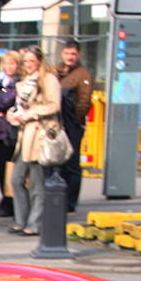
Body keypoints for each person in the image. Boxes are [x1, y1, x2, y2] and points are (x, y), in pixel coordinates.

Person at [6, 46, 62, 237]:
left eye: (31, 60)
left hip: (40, 136)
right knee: (16, 179)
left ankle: (34, 223)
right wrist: (13, 114)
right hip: (24, 137)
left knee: (37, 183)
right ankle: (21, 220)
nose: (28, 64)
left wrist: (30, 113)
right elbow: (20, 105)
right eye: (25, 61)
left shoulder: (48, 79)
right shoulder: (24, 82)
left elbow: (54, 105)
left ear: (39, 60)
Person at [54, 39, 93, 214]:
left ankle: (70, 201)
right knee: (57, 163)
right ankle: (58, 197)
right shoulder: (56, 71)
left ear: (79, 55)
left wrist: (75, 120)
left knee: (72, 164)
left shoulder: (82, 74)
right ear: (63, 53)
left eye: (73, 54)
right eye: (67, 53)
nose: (69, 57)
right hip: (56, 126)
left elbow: (84, 101)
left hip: (73, 126)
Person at [0, 51, 21, 218]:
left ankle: (10, 202)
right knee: (0, 168)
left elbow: (6, 102)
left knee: (9, 169)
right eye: (7, 63)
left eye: (13, 63)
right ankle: (4, 198)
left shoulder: (18, 84)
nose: (9, 67)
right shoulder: (1, 83)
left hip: (10, 132)